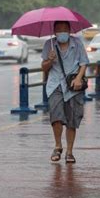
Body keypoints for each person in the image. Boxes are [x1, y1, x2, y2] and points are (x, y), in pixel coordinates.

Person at [41, 21, 89, 164]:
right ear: (54, 32)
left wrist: (79, 79)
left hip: (73, 86)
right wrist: (49, 60)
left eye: (65, 29)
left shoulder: (77, 43)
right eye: (59, 30)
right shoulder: (49, 45)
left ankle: (69, 152)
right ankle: (57, 146)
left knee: (71, 120)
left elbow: (84, 63)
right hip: (55, 85)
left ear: (69, 31)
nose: (62, 32)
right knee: (56, 117)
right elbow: (43, 67)